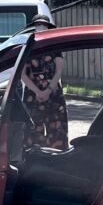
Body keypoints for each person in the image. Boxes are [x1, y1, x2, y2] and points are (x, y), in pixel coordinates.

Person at [23, 15, 69, 151]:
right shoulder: (27, 47)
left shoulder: (54, 47)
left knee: (56, 129)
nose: (40, 28)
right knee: (33, 129)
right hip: (33, 95)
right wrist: (38, 92)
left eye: (43, 25)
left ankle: (56, 161)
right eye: (37, 25)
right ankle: (35, 161)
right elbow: (22, 74)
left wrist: (48, 90)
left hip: (53, 94)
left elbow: (59, 70)